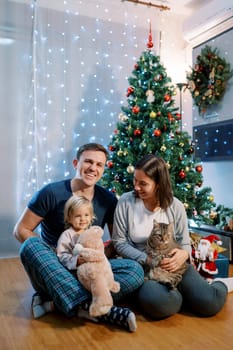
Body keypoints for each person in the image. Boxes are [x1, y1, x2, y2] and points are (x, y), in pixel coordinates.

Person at [13, 143, 144, 332]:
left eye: (99, 164)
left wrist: (96, 256)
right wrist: (54, 257)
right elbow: (21, 229)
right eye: (88, 162)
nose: (93, 168)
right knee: (30, 246)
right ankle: (95, 308)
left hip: (88, 269)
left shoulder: (107, 199)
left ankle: (58, 301)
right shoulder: (51, 192)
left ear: (103, 169)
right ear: (76, 163)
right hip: (55, 266)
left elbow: (116, 241)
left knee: (134, 270)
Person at [112, 154, 233, 319]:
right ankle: (178, 295)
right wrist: (147, 260)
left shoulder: (175, 206)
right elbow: (119, 242)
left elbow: (184, 242)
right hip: (145, 269)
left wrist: (183, 254)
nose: (136, 187)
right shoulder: (126, 202)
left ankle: (220, 284)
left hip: (176, 266)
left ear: (159, 185)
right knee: (162, 303)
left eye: (143, 183)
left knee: (210, 304)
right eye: (135, 180)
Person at [56, 195, 96, 270]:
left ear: (91, 216)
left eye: (86, 215)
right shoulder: (67, 234)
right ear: (69, 218)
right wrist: (76, 261)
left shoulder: (91, 233)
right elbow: (62, 255)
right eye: (78, 216)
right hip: (76, 270)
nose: (83, 219)